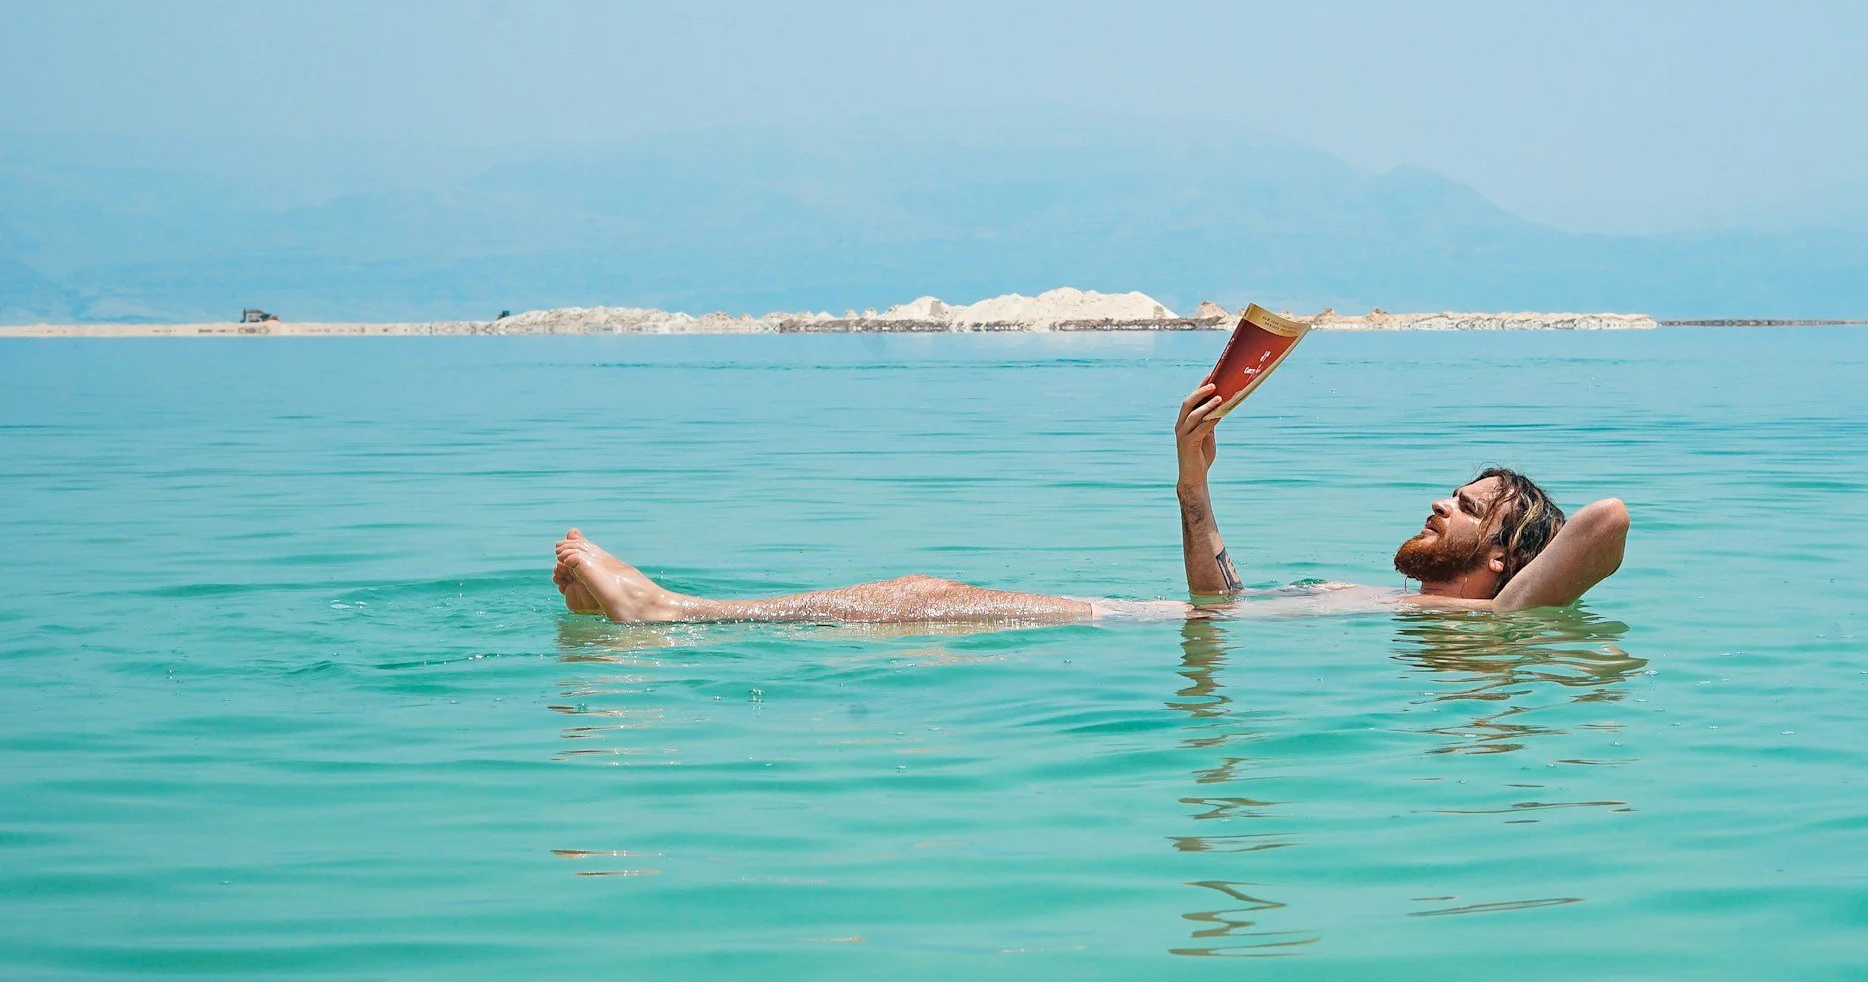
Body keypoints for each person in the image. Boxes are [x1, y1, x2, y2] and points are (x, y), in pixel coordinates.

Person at [551, 381, 1630, 625]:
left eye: (1466, 503)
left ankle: (671, 614)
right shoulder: (1438, 624)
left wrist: (1513, 591)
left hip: (1126, 634)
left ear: (1504, 551)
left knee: (925, 598)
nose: (1437, 501)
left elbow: (1606, 520)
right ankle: (675, 612)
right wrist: (1192, 478)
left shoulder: (1492, 625)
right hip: (1170, 627)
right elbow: (1223, 605)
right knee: (926, 598)